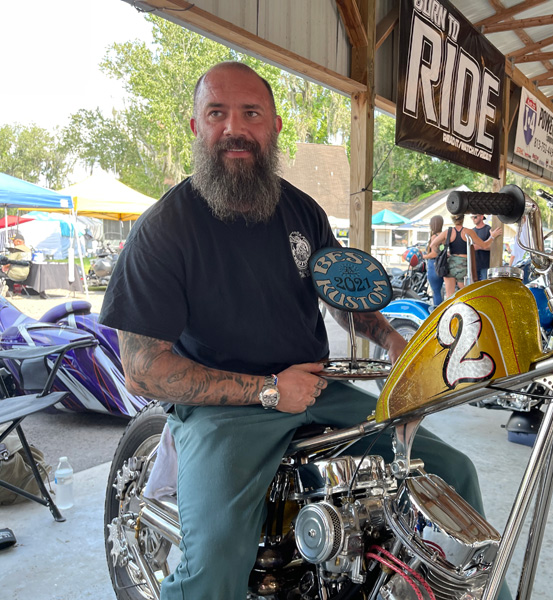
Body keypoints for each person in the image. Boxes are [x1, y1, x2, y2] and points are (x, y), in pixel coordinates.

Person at [99, 62, 495, 600]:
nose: (234, 128)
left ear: (275, 126)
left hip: (318, 389)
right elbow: (143, 370)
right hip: (223, 411)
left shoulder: (302, 211)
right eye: (217, 113)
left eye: (251, 113)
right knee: (215, 564)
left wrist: (394, 342)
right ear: (196, 127)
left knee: (453, 472)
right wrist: (268, 390)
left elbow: (344, 295)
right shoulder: (163, 230)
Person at [429, 213, 500, 299]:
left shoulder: (448, 232)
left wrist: (442, 252)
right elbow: (484, 245)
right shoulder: (468, 231)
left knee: (449, 296)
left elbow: (433, 245)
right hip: (464, 265)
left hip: (450, 264)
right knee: (466, 295)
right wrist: (492, 236)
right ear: (463, 219)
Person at [421, 214, 444, 306]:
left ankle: (437, 310)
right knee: (441, 291)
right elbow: (441, 250)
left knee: (436, 291)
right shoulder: (444, 235)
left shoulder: (434, 237)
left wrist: (424, 256)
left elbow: (434, 253)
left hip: (434, 265)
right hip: (443, 264)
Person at [471, 213, 492, 281]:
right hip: (474, 264)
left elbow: (493, 247)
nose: (473, 219)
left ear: (482, 217)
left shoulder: (488, 229)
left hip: (485, 264)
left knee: (484, 284)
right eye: (472, 217)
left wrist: (480, 247)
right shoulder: (472, 231)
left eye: (475, 217)